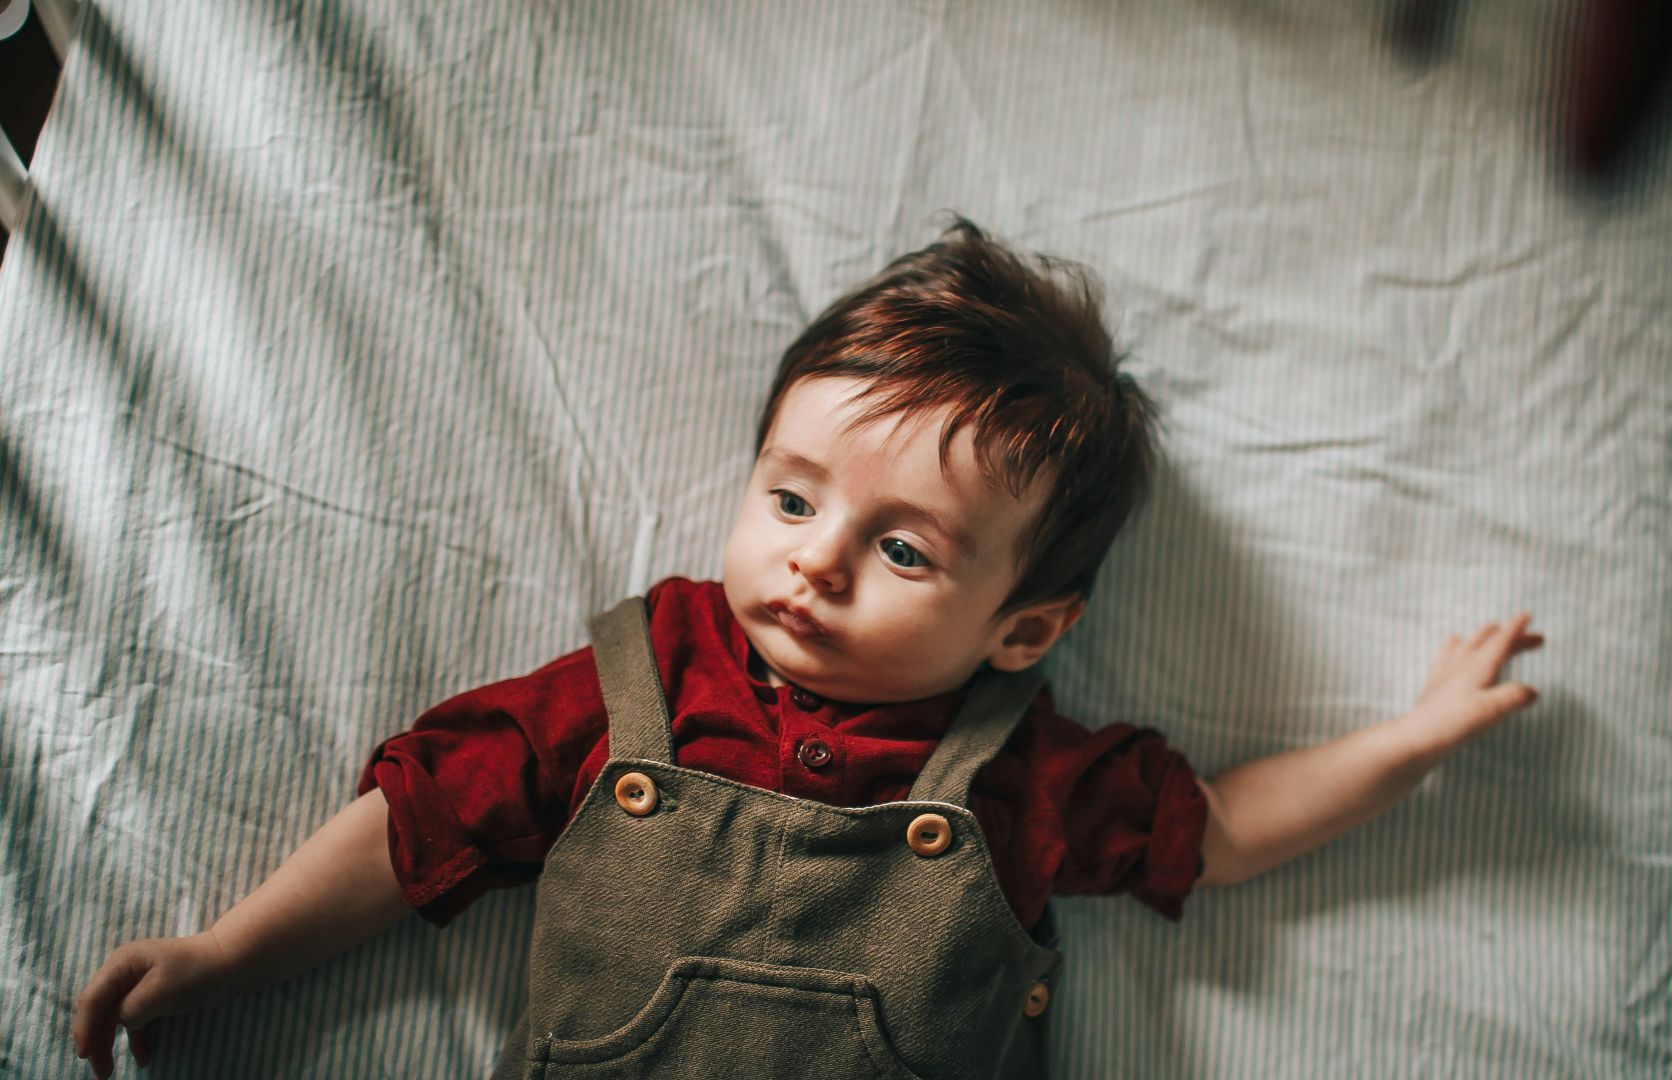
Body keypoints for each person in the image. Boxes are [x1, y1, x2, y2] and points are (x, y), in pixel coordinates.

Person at [72, 219, 1544, 1079]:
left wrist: (1406, 743)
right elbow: (421, 819)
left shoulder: (1018, 770)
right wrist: (226, 955)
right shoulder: (641, 682)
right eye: (791, 496)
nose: (815, 561)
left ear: (1023, 628)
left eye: (904, 550)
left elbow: (1216, 829)